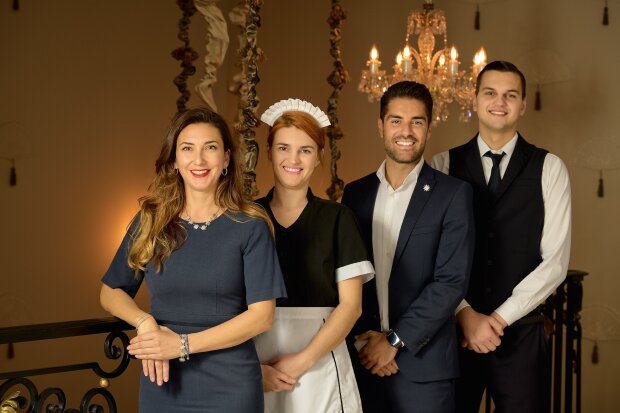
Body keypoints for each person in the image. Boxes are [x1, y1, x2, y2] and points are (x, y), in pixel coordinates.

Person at [99, 107, 286, 412]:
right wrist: (144, 322)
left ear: (226, 159)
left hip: (231, 385)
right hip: (163, 381)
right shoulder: (150, 221)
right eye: (187, 148)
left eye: (210, 148)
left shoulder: (251, 225)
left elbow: (262, 316)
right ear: (174, 160)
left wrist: (182, 345)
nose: (198, 160)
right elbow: (111, 291)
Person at [430, 60, 571, 413]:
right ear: (475, 99)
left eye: (510, 95)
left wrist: (497, 319)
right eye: (490, 93)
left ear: (522, 104)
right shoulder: (441, 165)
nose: (500, 102)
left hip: (522, 333)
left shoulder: (549, 167)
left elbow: (555, 261)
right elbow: (430, 254)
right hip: (454, 332)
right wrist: (465, 314)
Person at [342, 81, 475, 413]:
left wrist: (394, 341)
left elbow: (450, 282)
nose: (406, 131)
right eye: (396, 120)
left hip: (424, 369)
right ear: (381, 126)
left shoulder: (453, 195)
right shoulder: (355, 194)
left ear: (429, 128)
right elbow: (347, 275)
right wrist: (365, 341)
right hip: (364, 360)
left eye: (417, 121)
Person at [252, 98, 375, 413]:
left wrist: (301, 361)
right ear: (269, 151)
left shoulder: (338, 219)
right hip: (256, 358)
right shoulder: (247, 218)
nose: (293, 159)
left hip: (320, 358)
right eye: (283, 148)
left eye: (305, 150)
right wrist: (250, 369)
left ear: (319, 157)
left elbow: (351, 306)